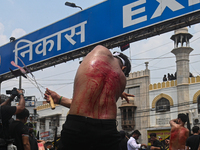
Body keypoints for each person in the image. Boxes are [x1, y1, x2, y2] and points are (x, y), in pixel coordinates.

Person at [44, 45, 134, 150]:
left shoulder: (99, 51)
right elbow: (96, 110)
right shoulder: (122, 80)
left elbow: (86, 107)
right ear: (124, 68)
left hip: (77, 127)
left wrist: (60, 100)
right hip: (106, 130)